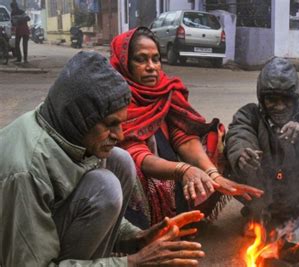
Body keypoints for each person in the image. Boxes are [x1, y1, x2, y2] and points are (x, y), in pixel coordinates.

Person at [0, 51, 208, 266]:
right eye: (110, 124)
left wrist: (138, 238)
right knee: (104, 186)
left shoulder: (65, 127)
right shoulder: (26, 171)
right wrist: (131, 263)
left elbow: (79, 215)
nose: (120, 135)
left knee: (119, 159)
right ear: (81, 117)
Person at [110, 27, 264, 229]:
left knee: (214, 139)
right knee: (127, 167)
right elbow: (136, 154)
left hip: (169, 164)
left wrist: (212, 174)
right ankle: (143, 233)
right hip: (139, 173)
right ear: (124, 63)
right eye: (141, 59)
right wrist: (183, 170)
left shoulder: (166, 89)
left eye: (156, 59)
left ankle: (187, 215)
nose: (152, 67)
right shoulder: (116, 97)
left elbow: (182, 134)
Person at [225, 57, 299, 230]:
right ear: (262, 99)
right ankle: (259, 212)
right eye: (272, 99)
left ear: (296, 99)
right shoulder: (249, 114)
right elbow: (239, 133)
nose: (279, 107)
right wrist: (243, 153)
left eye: (286, 99)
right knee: (227, 159)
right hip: (263, 193)